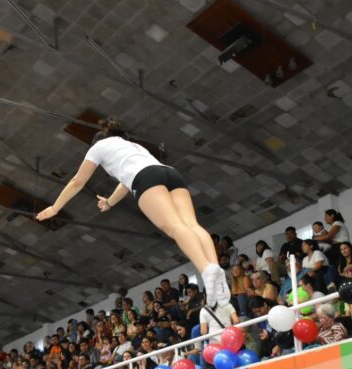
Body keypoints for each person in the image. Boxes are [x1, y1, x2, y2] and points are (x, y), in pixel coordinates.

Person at [35, 117, 230, 308]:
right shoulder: (133, 146)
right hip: (170, 173)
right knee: (192, 224)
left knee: (176, 228)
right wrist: (109, 203)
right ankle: (214, 267)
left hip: (146, 179)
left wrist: (55, 207)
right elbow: (124, 185)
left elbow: (77, 181)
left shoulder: (97, 148)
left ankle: (206, 270)